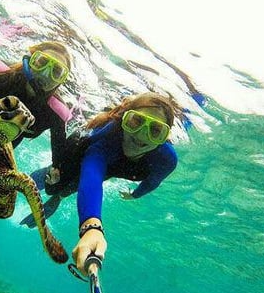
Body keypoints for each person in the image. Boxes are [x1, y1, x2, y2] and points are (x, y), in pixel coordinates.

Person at [21, 91, 179, 276]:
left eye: (155, 130)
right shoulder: (105, 140)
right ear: (123, 121)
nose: (142, 135)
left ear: (164, 137)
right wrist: (91, 228)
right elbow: (92, 176)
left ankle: (57, 197)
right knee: (63, 177)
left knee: (68, 188)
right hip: (79, 156)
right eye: (136, 122)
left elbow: (152, 181)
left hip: (110, 167)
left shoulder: (166, 159)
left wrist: (136, 194)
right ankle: (23, 184)